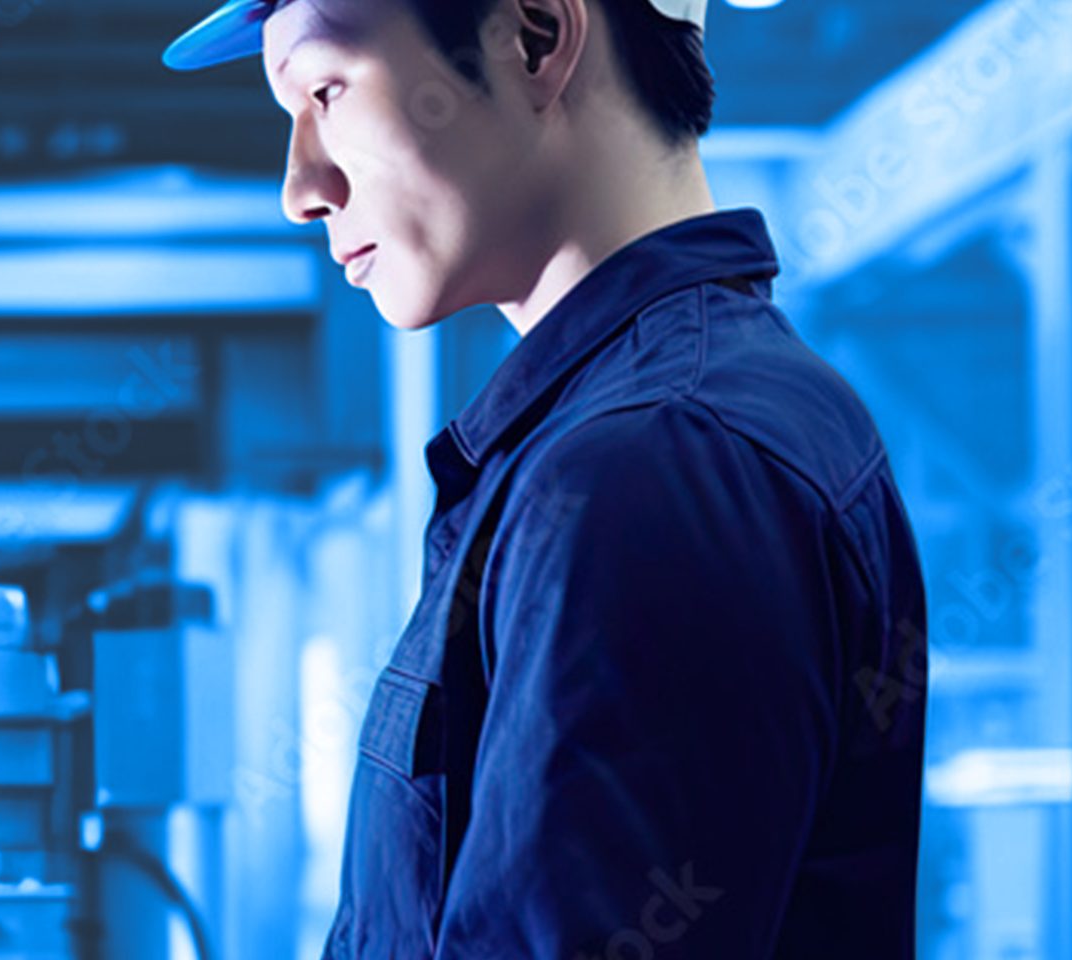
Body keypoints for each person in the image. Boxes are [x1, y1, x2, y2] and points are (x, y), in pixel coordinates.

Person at [164, 0, 928, 955]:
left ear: (532, 37)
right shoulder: (636, 437)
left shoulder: (655, 466)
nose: (301, 187)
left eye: (326, 90)